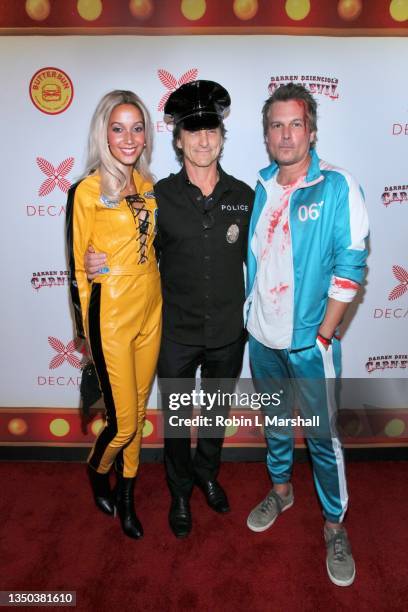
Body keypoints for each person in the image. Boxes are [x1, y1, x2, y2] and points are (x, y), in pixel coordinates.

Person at [85, 80, 254, 538]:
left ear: (221, 135)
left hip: (226, 332)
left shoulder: (245, 195)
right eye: (192, 131)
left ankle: (208, 475)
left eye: (211, 129)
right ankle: (180, 492)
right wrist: (93, 259)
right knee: (177, 422)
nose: (203, 140)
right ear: (177, 140)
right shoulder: (156, 197)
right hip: (174, 333)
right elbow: (128, 246)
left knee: (216, 416)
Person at [244, 83, 369, 586]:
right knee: (275, 423)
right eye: (277, 125)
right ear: (267, 135)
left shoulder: (338, 185)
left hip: (308, 345)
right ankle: (281, 489)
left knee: (322, 437)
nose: (286, 134)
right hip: (261, 337)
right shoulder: (258, 186)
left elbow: (351, 265)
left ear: (311, 131)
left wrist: (321, 336)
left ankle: (335, 525)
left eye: (295, 123)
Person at [66, 90, 162, 540]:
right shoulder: (85, 190)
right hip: (111, 313)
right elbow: (75, 269)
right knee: (121, 423)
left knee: (138, 413)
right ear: (104, 132)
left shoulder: (149, 185)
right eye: (118, 128)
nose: (128, 137)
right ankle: (95, 469)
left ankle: (127, 495)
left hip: (152, 308)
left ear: (146, 135)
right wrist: (84, 328)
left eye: (137, 127)